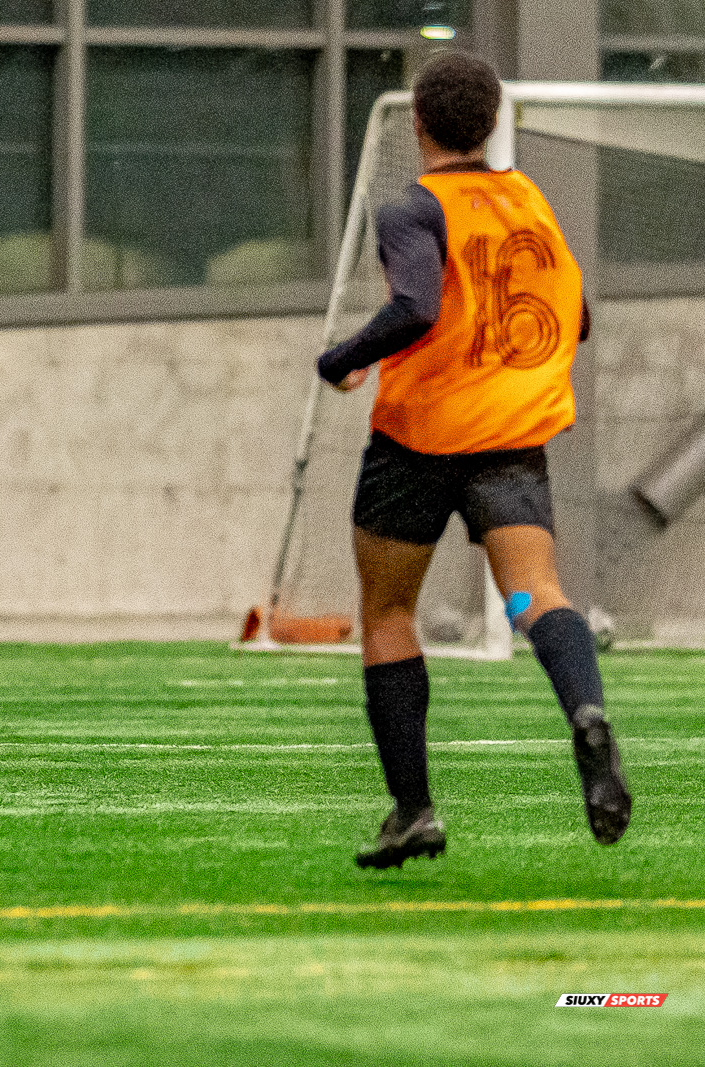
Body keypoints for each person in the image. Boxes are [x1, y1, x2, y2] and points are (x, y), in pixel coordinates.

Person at [315, 52, 631, 869]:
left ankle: (414, 810)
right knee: (532, 592)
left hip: (419, 443)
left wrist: (341, 357)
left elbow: (416, 305)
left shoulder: (413, 210)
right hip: (510, 443)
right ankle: (587, 712)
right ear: (493, 122)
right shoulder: (530, 201)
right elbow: (579, 317)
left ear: (416, 122)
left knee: (389, 614)